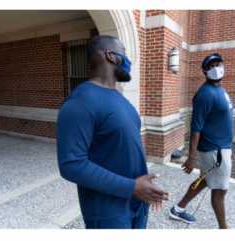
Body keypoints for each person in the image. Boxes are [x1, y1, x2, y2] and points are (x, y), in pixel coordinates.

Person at [56, 35, 170, 229]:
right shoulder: (79, 103)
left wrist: (144, 190)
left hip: (137, 204)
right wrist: (132, 188)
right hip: (107, 213)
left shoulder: (119, 98)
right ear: (110, 55)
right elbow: (71, 164)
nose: (128, 60)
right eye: (124, 54)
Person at [169, 54, 233, 229]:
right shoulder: (205, 94)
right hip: (215, 150)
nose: (216, 68)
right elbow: (195, 127)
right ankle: (224, 230)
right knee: (219, 191)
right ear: (205, 71)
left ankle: (178, 209)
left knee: (205, 180)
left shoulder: (220, 89)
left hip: (220, 147)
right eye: (211, 66)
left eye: (218, 64)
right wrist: (191, 158)